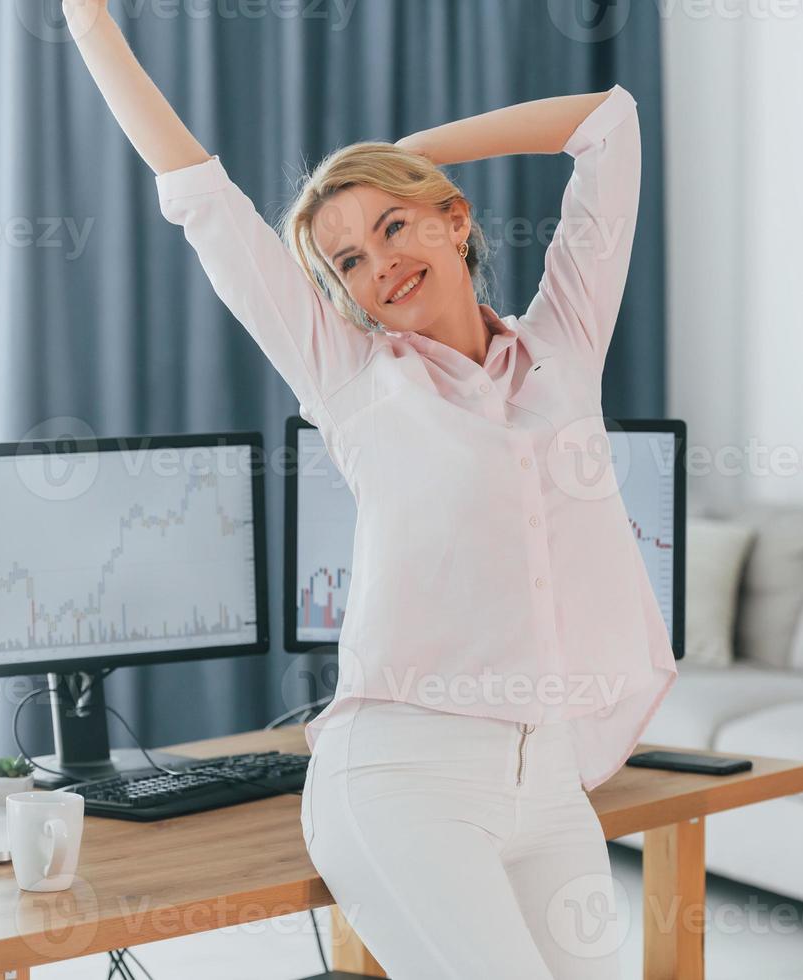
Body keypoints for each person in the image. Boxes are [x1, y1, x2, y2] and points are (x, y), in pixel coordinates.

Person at [63, 3, 678, 975]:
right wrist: (92, 27)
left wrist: (413, 151)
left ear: (454, 217)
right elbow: (200, 200)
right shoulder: (353, 385)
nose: (381, 263)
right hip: (400, 777)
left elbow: (611, 123)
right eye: (349, 258)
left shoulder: (564, 348)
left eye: (396, 224)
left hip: (547, 780)